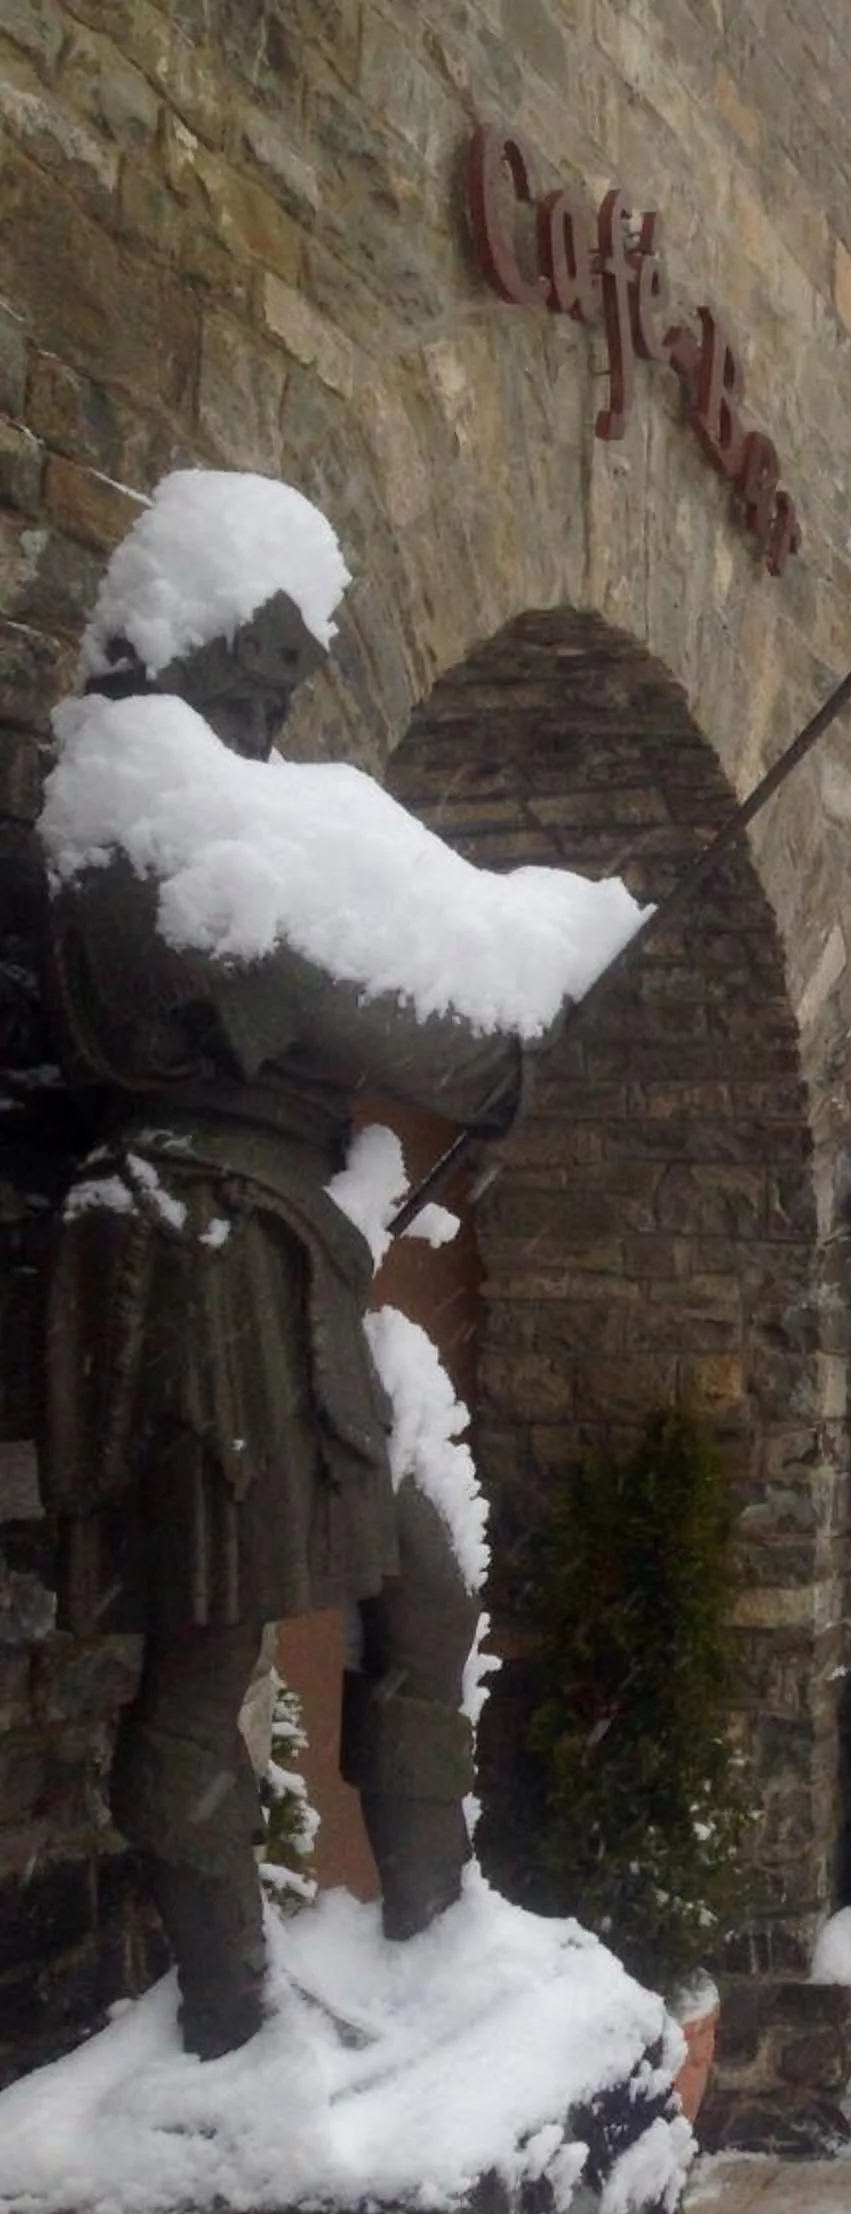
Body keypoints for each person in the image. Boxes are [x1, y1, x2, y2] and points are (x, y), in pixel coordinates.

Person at [39, 477, 539, 2058]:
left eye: (282, 682)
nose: (267, 710)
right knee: (206, 1652)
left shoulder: (199, 802)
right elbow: (361, 1005)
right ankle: (232, 2017)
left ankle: (432, 1932)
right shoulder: (140, 817)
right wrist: (499, 1037)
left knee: (429, 1576)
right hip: (202, 1268)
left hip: (286, 1258)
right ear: (184, 639)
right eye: (252, 673)